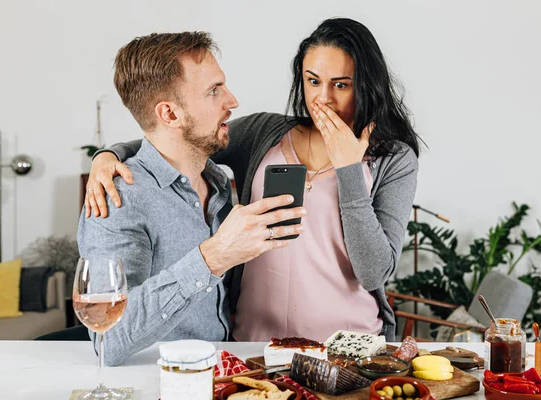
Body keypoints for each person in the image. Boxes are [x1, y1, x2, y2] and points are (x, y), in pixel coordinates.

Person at [86, 18, 420, 343]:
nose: (324, 99)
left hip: (348, 344)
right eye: (313, 81)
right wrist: (108, 156)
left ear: (365, 85)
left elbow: (375, 272)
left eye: (342, 84)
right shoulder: (264, 133)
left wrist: (349, 170)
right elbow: (175, 137)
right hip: (253, 344)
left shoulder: (394, 158)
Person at [77, 32, 306, 366]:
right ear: (170, 114)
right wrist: (212, 258)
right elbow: (109, 338)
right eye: (214, 91)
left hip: (223, 374)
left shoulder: (218, 182)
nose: (232, 101)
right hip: (155, 384)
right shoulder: (117, 196)